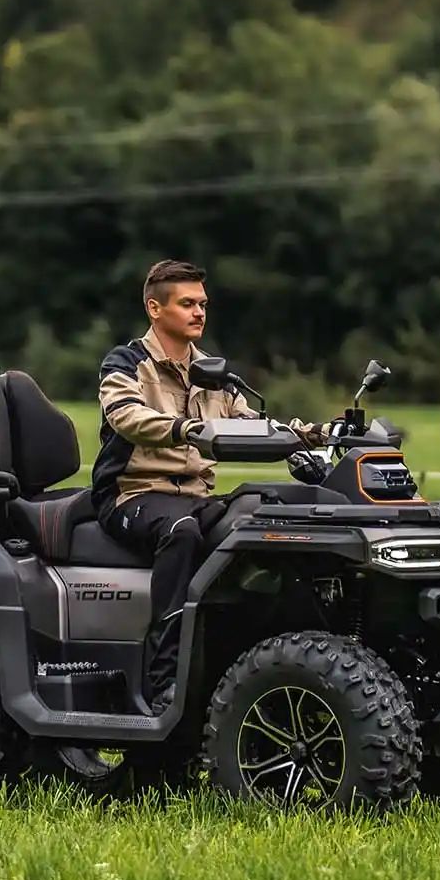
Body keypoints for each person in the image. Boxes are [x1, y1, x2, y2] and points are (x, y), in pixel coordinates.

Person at [92, 259, 323, 715]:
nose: (199, 312)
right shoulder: (125, 363)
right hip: (133, 494)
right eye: (187, 303)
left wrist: (313, 434)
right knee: (181, 532)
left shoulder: (211, 373)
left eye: (203, 303)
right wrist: (186, 428)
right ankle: (163, 684)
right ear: (155, 308)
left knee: (266, 513)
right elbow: (126, 416)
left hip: (194, 497)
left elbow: (254, 424)